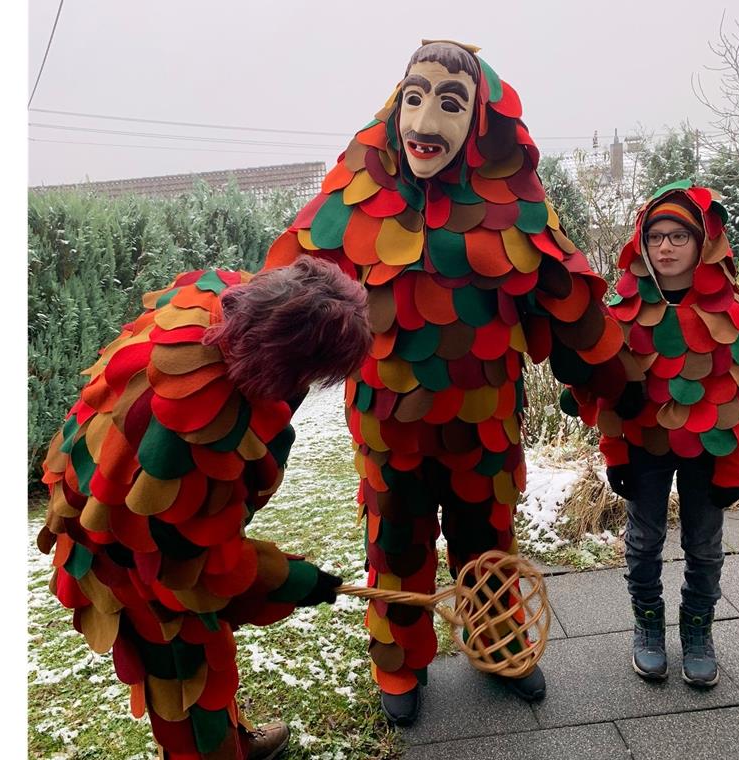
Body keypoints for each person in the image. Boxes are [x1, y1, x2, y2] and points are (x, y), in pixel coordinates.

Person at [262, 40, 625, 724]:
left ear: (478, 122)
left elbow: (572, 309)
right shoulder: (353, 198)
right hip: (387, 422)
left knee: (486, 538)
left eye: (450, 103)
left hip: (484, 422)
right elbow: (289, 311)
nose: (425, 121)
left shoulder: (514, 208)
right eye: (415, 97)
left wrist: (618, 397)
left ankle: (497, 642)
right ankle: (399, 661)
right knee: (396, 540)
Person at [35, 257, 372, 759]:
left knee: (204, 665)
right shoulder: (192, 430)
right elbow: (202, 565)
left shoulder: (212, 300)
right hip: (124, 555)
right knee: (185, 675)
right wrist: (300, 581)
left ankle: (232, 741)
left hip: (131, 524)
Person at [584, 180, 739, 687]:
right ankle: (649, 626)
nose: (665, 247)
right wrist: (615, 453)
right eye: (656, 236)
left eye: (679, 235)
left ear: (704, 242)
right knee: (644, 541)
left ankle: (698, 630)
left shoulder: (735, 319)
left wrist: (733, 467)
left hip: (710, 448)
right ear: (642, 242)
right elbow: (608, 395)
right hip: (644, 445)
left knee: (704, 545)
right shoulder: (622, 313)